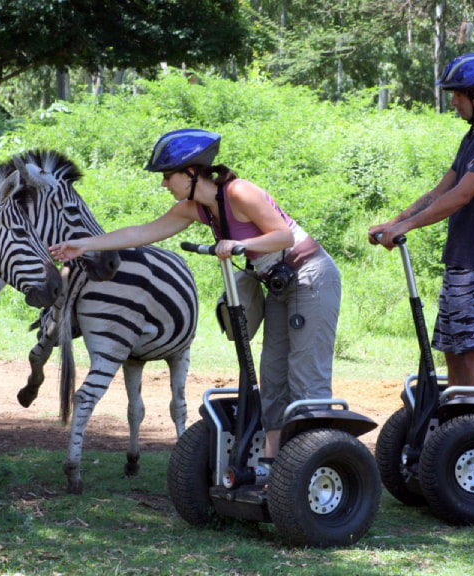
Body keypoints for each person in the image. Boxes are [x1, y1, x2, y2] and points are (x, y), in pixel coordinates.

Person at [50, 128, 341, 459]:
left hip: (311, 276)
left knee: (305, 373)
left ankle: (316, 461)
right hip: (279, 283)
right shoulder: (196, 209)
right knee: (272, 375)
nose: (163, 184)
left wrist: (239, 245)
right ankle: (272, 465)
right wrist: (83, 245)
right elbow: (140, 233)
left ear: (190, 172)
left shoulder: (240, 192)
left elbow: (282, 237)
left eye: (167, 176)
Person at [369, 53, 474, 389]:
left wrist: (404, 228)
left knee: (473, 349)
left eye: (457, 95)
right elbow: (440, 190)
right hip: (461, 259)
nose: (453, 102)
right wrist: (393, 221)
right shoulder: (473, 139)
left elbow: (460, 197)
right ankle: (456, 429)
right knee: (453, 349)